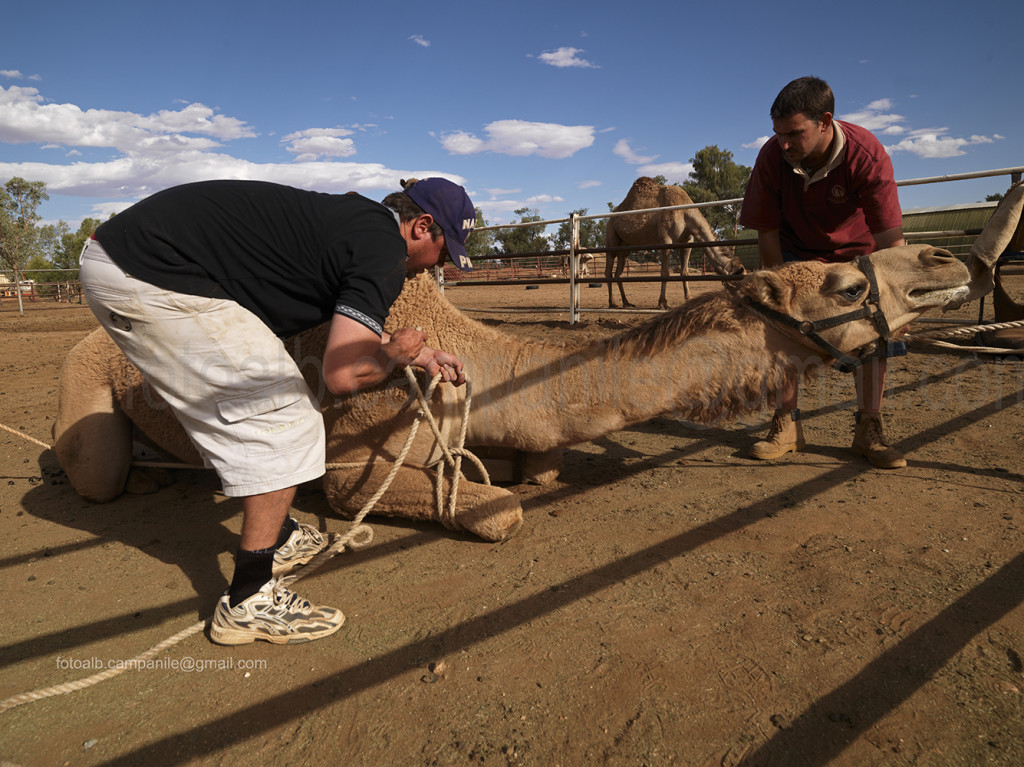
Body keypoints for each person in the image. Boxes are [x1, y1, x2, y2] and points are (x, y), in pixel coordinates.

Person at [78, 177, 476, 645]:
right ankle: (248, 599)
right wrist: (397, 354)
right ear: (421, 226)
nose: (439, 267)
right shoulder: (383, 250)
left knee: (275, 402)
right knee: (284, 420)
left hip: (136, 257)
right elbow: (342, 375)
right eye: (445, 253)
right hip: (150, 272)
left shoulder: (360, 225)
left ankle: (280, 536)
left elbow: (354, 330)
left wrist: (418, 355)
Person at [740, 76, 907, 469]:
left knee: (874, 331)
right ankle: (786, 424)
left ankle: (869, 428)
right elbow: (767, 235)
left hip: (856, 254)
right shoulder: (772, 157)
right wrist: (775, 294)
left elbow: (890, 240)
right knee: (781, 331)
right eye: (777, 133)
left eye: (793, 134)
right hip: (795, 252)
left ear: (825, 121)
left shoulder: (865, 153)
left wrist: (894, 302)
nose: (783, 144)